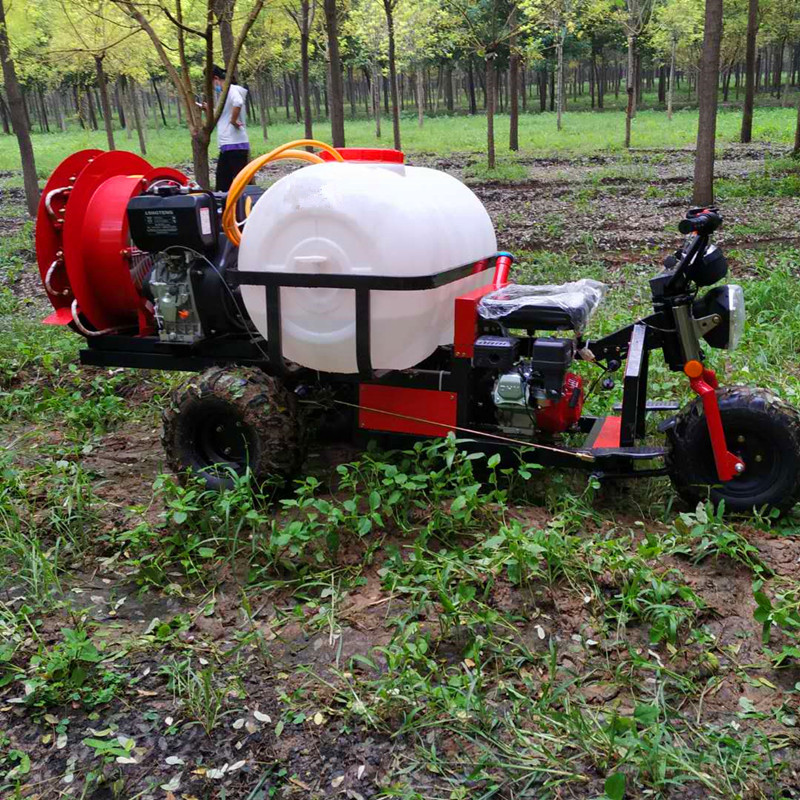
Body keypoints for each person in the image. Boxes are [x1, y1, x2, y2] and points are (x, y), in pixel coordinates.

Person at [212, 65, 250, 192]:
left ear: (216, 78)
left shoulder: (231, 89)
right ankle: (227, 210)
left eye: (211, 83)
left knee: (240, 184)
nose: (213, 87)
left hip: (235, 145)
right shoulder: (224, 93)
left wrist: (233, 121)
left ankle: (245, 209)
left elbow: (238, 102)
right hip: (227, 146)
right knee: (223, 185)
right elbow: (223, 114)